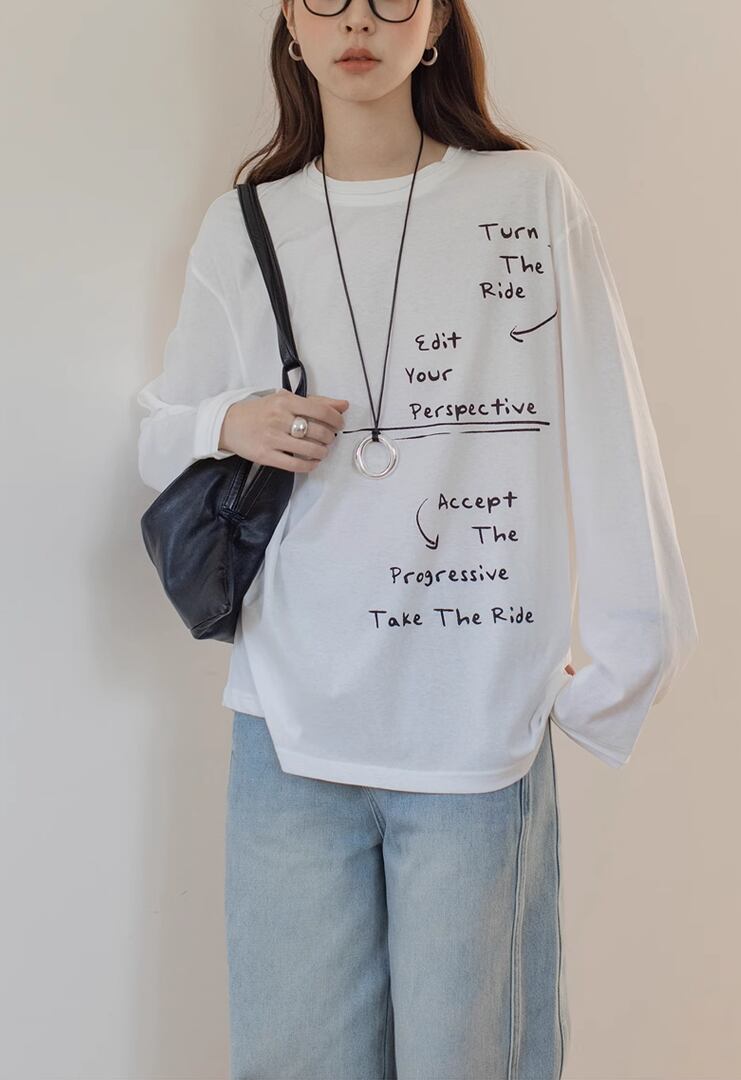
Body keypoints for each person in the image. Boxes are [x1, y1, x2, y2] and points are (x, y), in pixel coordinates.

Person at [136, 0, 700, 1076]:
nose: (359, 20)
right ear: (290, 25)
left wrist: (621, 666)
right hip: (289, 730)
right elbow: (160, 434)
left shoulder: (527, 198)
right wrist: (229, 420)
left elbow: (609, 431)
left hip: (474, 729)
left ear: (434, 22)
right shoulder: (246, 224)